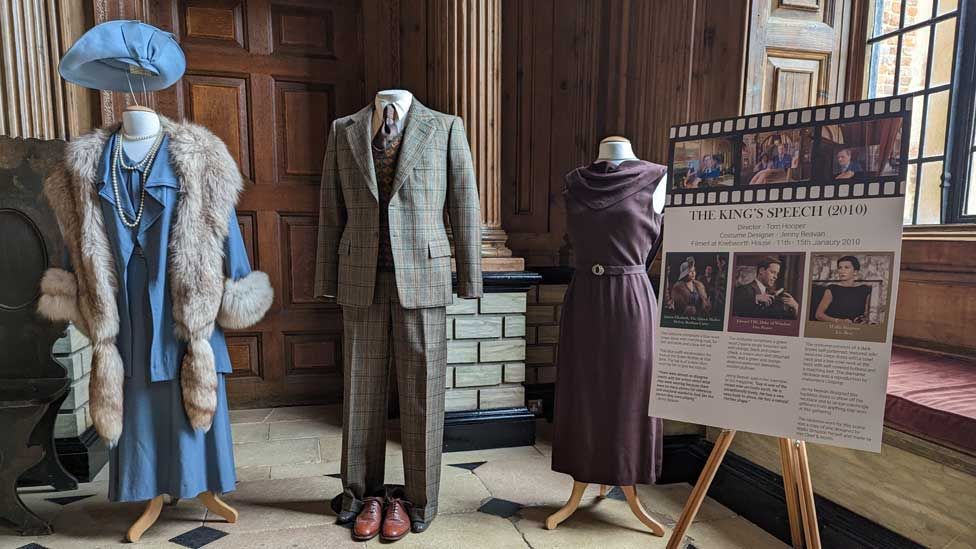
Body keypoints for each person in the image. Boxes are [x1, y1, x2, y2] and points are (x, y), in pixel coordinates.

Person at [732, 257, 798, 319]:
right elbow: (734, 306)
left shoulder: (773, 295)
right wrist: (756, 298)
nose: (776, 277)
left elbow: (783, 319)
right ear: (761, 271)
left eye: (777, 274)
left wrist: (795, 307)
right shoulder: (743, 290)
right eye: (773, 272)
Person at [814, 255, 872, 323]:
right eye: (840, 268)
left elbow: (868, 315)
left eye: (846, 267)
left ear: (855, 272)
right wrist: (839, 321)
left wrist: (863, 321)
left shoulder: (864, 289)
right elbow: (818, 315)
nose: (842, 271)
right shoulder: (832, 289)